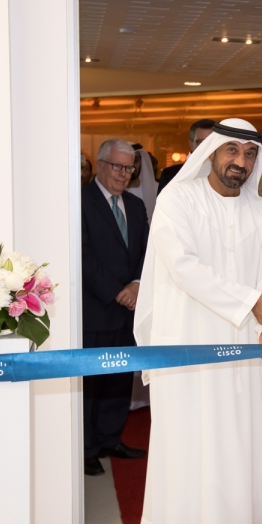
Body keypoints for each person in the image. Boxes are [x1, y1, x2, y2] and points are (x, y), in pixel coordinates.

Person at [133, 119, 262, 524]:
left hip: (244, 352)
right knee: (188, 449)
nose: (241, 161)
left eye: (250, 154)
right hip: (187, 347)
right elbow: (183, 268)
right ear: (212, 152)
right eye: (232, 151)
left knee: (238, 451)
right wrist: (252, 303)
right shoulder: (177, 200)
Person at [81, 139, 150, 476]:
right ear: (100, 165)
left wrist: (137, 284)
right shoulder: (80, 201)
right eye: (117, 167)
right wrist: (116, 291)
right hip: (96, 309)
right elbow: (82, 255)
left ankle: (110, 438)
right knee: (91, 384)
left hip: (129, 310)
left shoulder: (135, 206)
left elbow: (147, 252)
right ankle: (86, 448)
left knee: (120, 379)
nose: (124, 174)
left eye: (129, 168)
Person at [157, 118, 215, 194]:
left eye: (211, 141)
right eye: (201, 142)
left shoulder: (226, 173)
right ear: (191, 145)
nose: (207, 146)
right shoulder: (171, 175)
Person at [127, 145, 158, 223]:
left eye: (135, 160)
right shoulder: (114, 190)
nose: (132, 165)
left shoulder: (157, 189)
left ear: (141, 162)